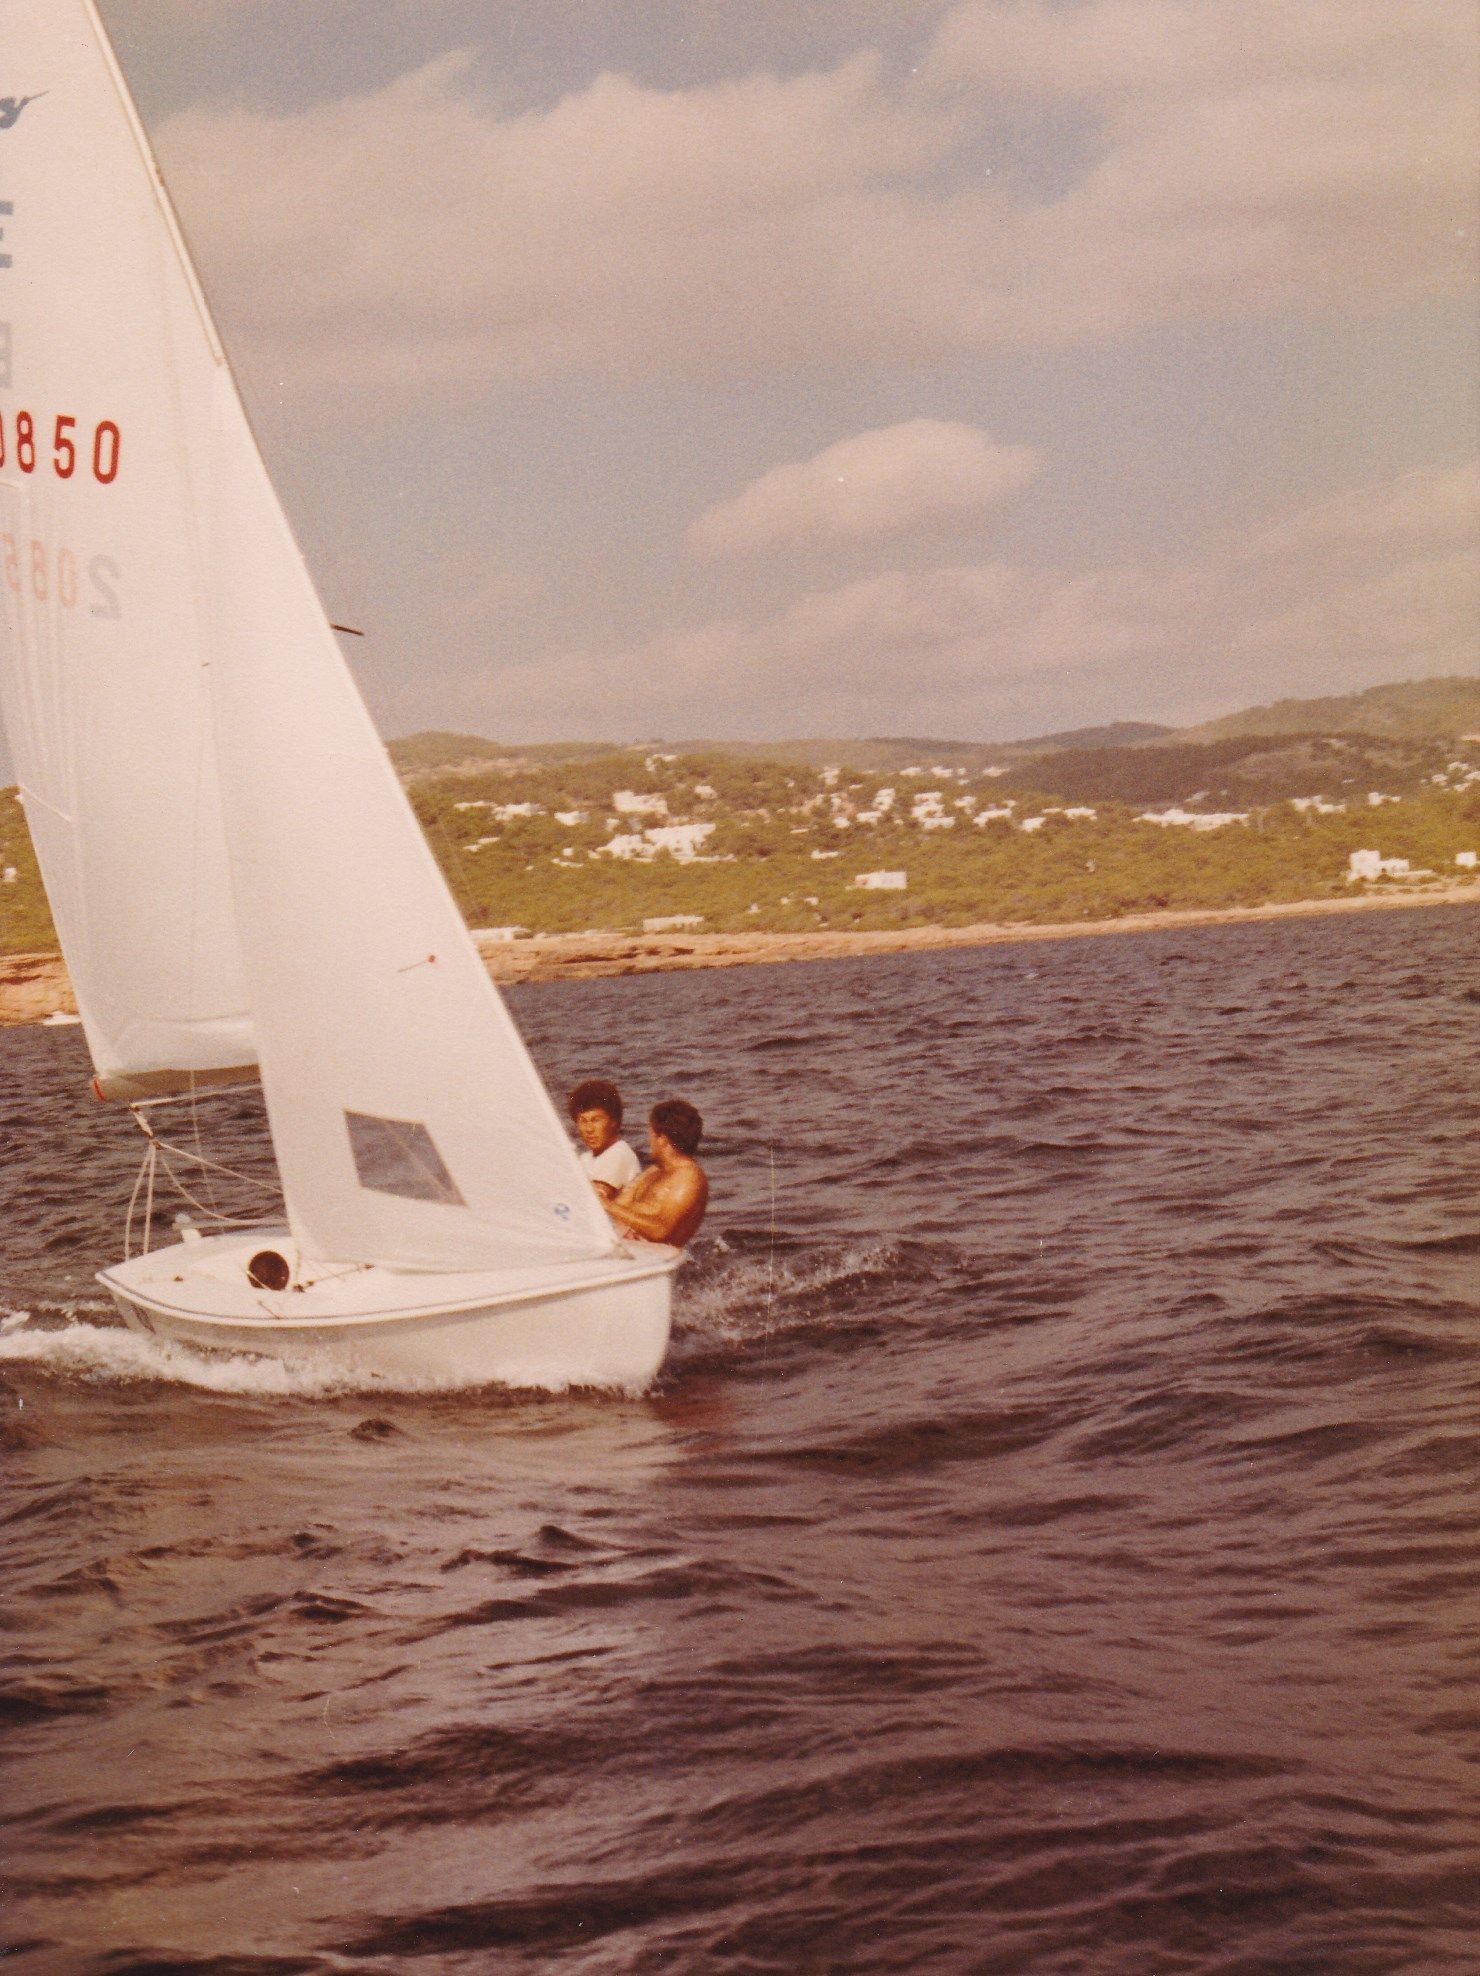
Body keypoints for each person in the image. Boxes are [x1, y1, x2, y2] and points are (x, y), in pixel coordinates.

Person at [606, 1098, 709, 1249]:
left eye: (651, 1134)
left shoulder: (689, 1177)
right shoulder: (655, 1171)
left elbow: (661, 1230)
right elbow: (617, 1208)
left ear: (662, 1139)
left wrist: (606, 1204)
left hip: (654, 1258)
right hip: (625, 1248)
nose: (650, 1141)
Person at [567, 1078, 642, 1201]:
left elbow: (592, 1203)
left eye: (596, 1120)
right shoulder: (586, 1158)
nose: (589, 1129)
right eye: (583, 1121)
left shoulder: (619, 1154)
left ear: (614, 1121)